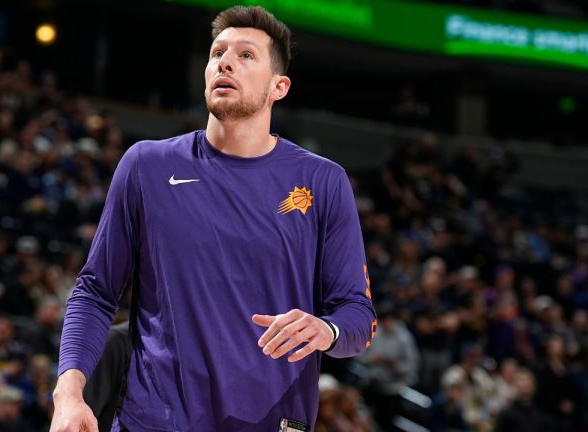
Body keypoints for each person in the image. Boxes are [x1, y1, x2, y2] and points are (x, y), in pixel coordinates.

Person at [50, 6, 376, 432]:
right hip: (154, 422)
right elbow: (95, 291)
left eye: (246, 55)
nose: (224, 61)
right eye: (217, 52)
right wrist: (68, 394)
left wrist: (326, 330)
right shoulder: (146, 165)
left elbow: (358, 314)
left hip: (273, 421)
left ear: (279, 86)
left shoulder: (322, 181)